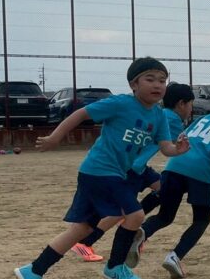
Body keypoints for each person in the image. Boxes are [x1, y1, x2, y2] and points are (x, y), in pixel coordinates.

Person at [13, 57, 189, 279]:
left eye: (162, 80)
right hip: (100, 170)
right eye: (150, 79)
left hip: (110, 174)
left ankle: (33, 271)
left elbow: (165, 146)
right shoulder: (120, 103)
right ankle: (115, 267)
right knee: (135, 215)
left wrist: (177, 149)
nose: (158, 85)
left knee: (82, 229)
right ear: (134, 84)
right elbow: (81, 114)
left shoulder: (159, 116)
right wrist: (55, 137)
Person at [72, 82, 194, 262]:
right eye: (191, 104)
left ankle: (133, 219)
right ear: (181, 104)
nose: (191, 109)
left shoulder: (161, 114)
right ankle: (86, 242)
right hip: (132, 168)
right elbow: (185, 144)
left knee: (163, 187)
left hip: (139, 167)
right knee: (120, 210)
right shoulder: (171, 120)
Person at [137, 79, 210, 278]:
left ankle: (142, 232)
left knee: (165, 216)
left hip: (174, 166)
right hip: (199, 172)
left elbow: (181, 139)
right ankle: (174, 257)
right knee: (201, 220)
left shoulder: (203, 119)